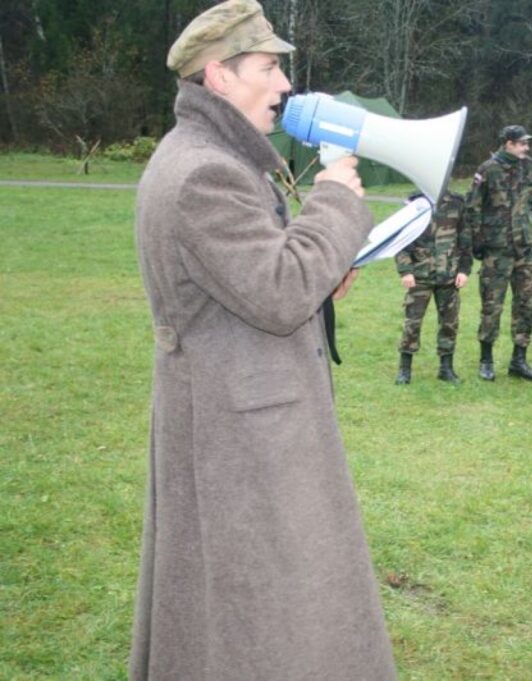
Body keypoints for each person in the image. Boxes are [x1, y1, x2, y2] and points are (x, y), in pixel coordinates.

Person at [130, 1, 396, 678]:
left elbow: (251, 282)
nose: (284, 85)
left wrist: (322, 271)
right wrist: (335, 196)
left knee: (241, 607)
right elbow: (278, 292)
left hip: (242, 419)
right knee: (258, 614)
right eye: (269, 68)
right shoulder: (204, 173)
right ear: (219, 76)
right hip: (241, 435)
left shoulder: (213, 156)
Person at [465, 124, 532, 381]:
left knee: (527, 304)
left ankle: (519, 359)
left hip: (524, 247)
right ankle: (486, 359)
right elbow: (473, 207)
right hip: (497, 248)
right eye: (522, 143)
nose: (526, 147)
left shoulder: (528, 166)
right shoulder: (488, 169)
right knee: (492, 305)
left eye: (527, 143)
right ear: (508, 143)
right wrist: (477, 241)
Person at [394, 192, 472, 384]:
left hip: (449, 275)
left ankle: (446, 368)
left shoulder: (457, 203)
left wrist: (464, 270)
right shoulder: (415, 204)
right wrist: (405, 270)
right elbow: (401, 240)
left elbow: (465, 239)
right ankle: (405, 369)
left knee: (449, 323)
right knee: (412, 322)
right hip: (420, 275)